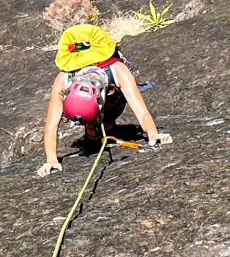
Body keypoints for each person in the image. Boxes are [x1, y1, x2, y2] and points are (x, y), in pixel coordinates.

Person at [39, 21, 170, 176]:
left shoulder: (117, 70)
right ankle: (94, 129)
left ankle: (104, 125)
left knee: (105, 127)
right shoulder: (63, 80)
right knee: (96, 134)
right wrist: (51, 160)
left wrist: (153, 134)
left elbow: (140, 111)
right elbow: (51, 127)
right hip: (97, 108)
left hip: (114, 101)